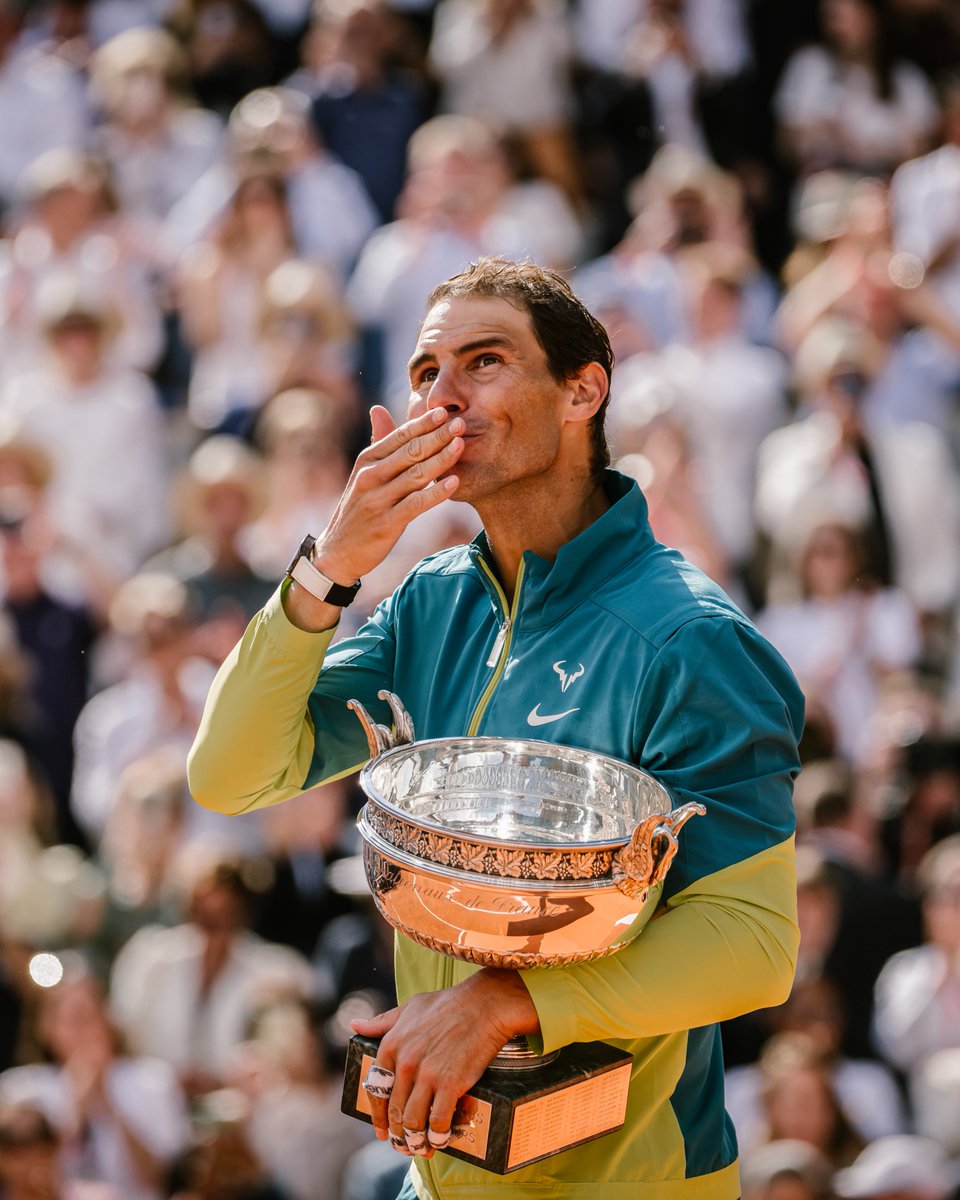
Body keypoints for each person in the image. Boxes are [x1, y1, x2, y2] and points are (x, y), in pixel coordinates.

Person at [188, 257, 804, 1199]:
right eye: (427, 373)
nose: (445, 399)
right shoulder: (432, 603)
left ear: (582, 391)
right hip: (440, 1177)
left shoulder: (690, 637)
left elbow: (753, 944)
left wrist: (503, 1004)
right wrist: (328, 569)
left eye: (484, 363)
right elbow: (230, 775)